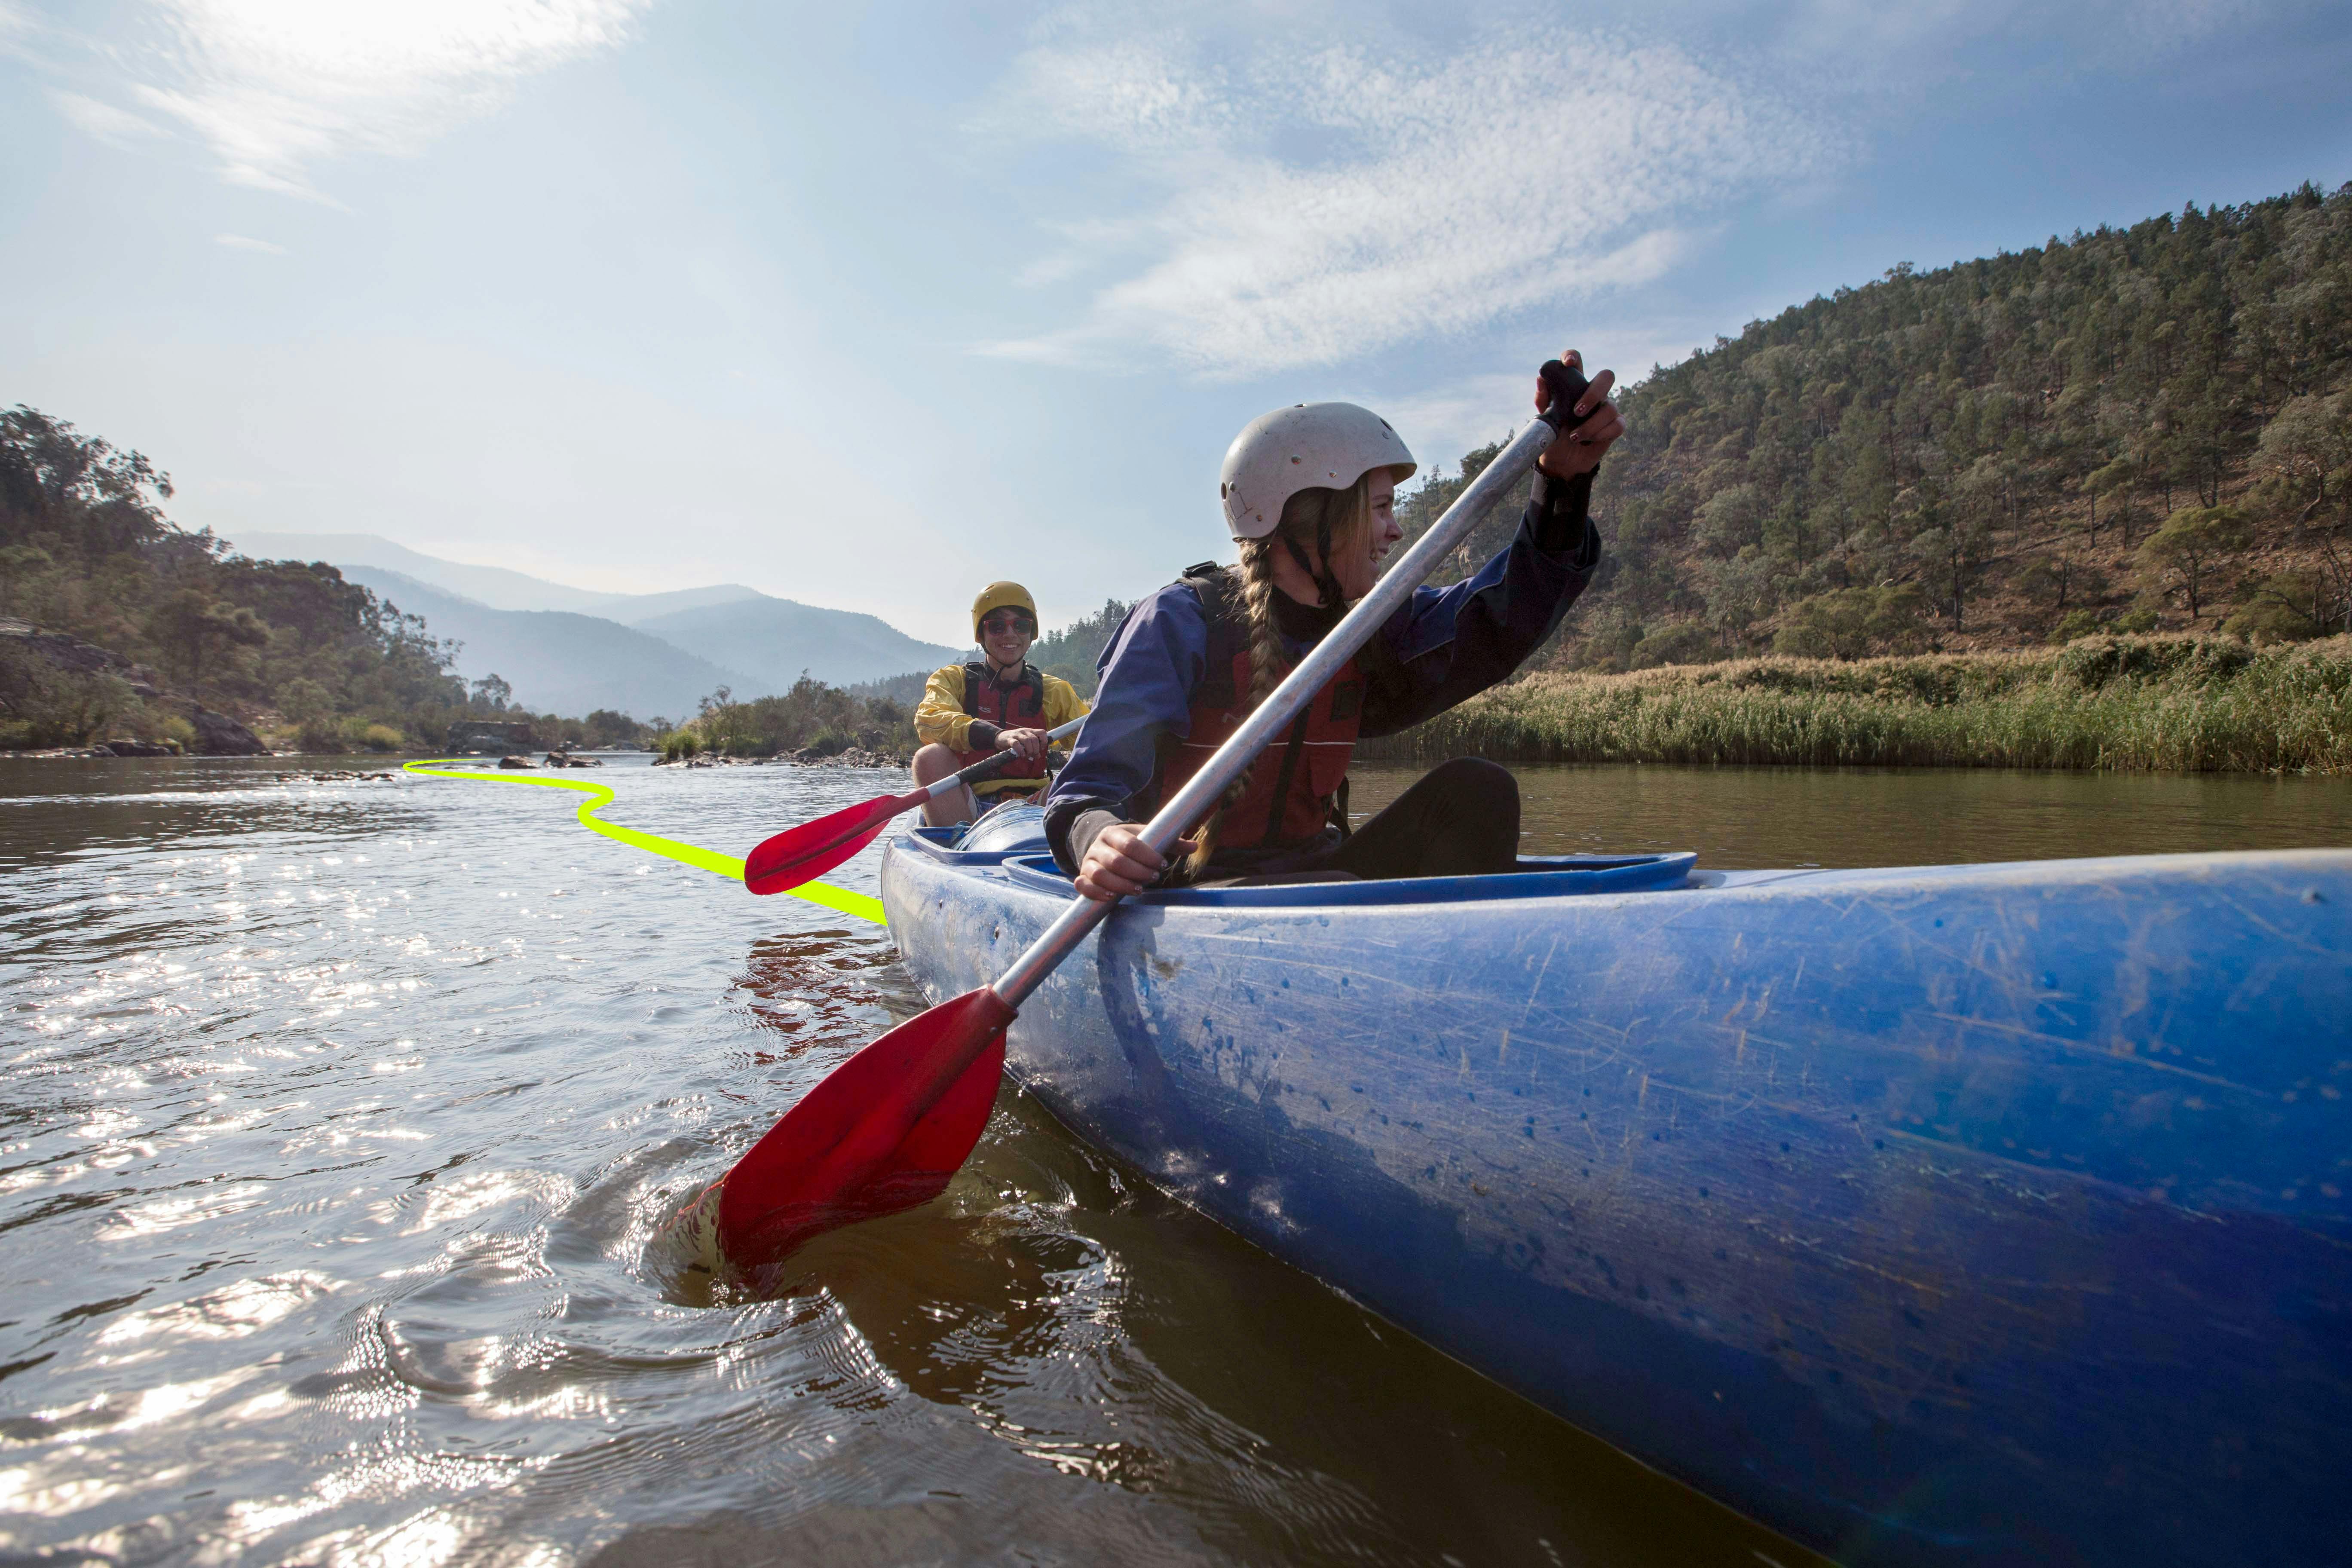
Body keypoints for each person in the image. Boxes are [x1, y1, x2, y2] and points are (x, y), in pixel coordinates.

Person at [1044, 350, 1623, 900]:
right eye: (1380, 508)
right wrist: (1098, 839)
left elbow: (1500, 618)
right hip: (1191, 894)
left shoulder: (1368, 627)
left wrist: (1563, 483)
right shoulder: (1180, 622)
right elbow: (1085, 793)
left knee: (1479, 788)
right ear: (1311, 518)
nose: (1395, 532)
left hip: (1321, 878)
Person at [912, 582, 1090, 827]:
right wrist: (998, 736)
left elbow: (1095, 738)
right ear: (981, 635)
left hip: (1036, 804)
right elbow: (930, 720)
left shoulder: (1054, 690)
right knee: (929, 757)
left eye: (1021, 625)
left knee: (1094, 759)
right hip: (968, 803)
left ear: (1031, 632)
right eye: (996, 626)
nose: (1010, 634)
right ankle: (957, 849)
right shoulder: (953, 680)